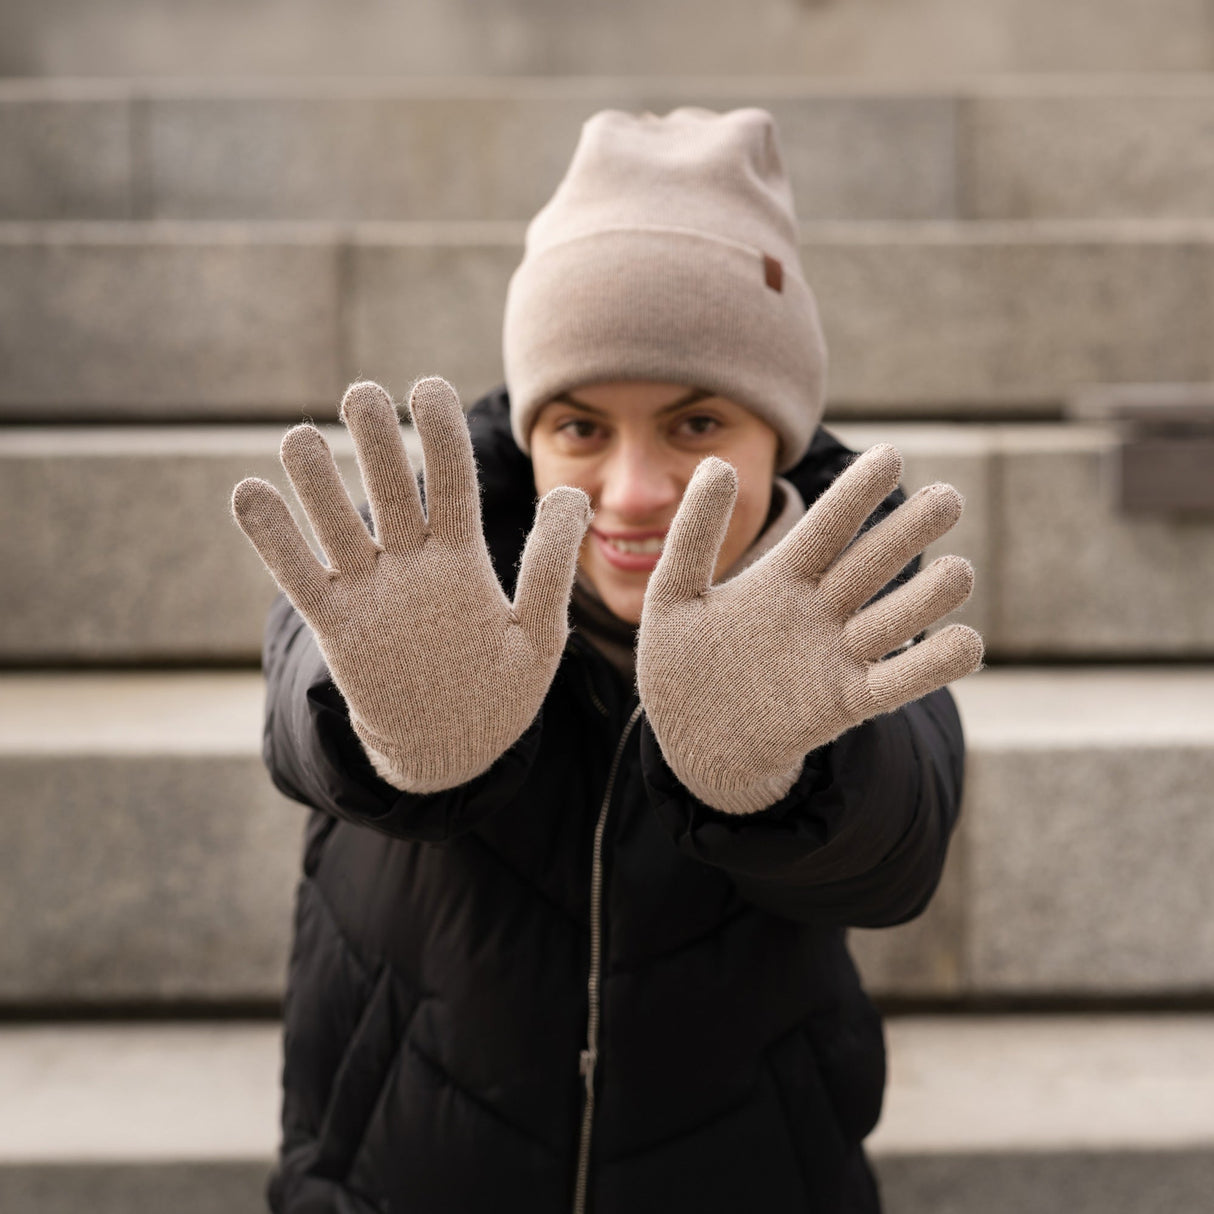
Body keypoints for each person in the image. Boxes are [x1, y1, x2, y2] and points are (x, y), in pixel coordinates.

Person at [232, 107, 983, 1214]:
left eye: (694, 426)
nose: (630, 493)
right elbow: (303, 705)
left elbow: (897, 844)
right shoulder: (426, 555)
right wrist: (392, 732)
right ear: (530, 432)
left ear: (774, 432)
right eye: (580, 427)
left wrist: (769, 777)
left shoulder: (846, 603)